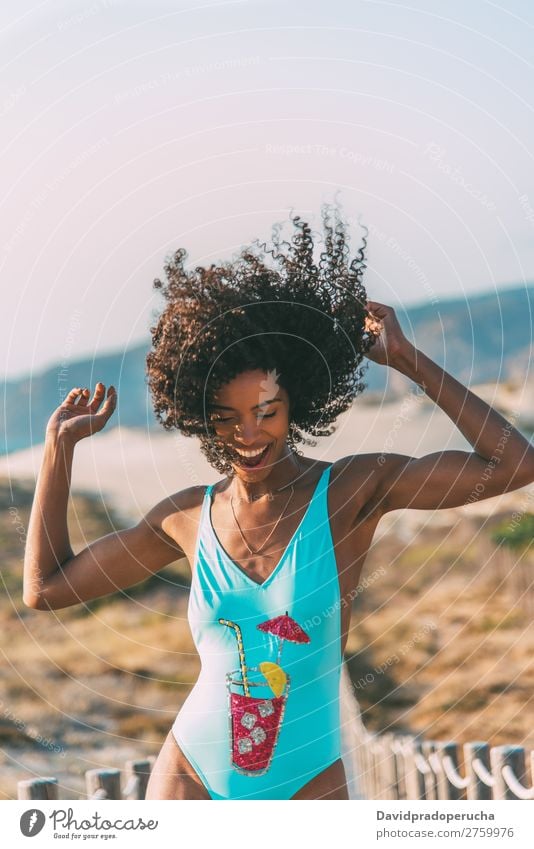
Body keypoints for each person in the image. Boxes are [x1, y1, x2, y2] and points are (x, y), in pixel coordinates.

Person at [23, 204, 534, 801]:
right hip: (191, 776)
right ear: (201, 419)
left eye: (266, 411)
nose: (249, 433)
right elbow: (46, 588)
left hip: (310, 780)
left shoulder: (351, 491)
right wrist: (58, 453)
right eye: (227, 418)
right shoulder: (186, 517)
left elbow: (513, 465)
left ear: (297, 402)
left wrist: (407, 361)